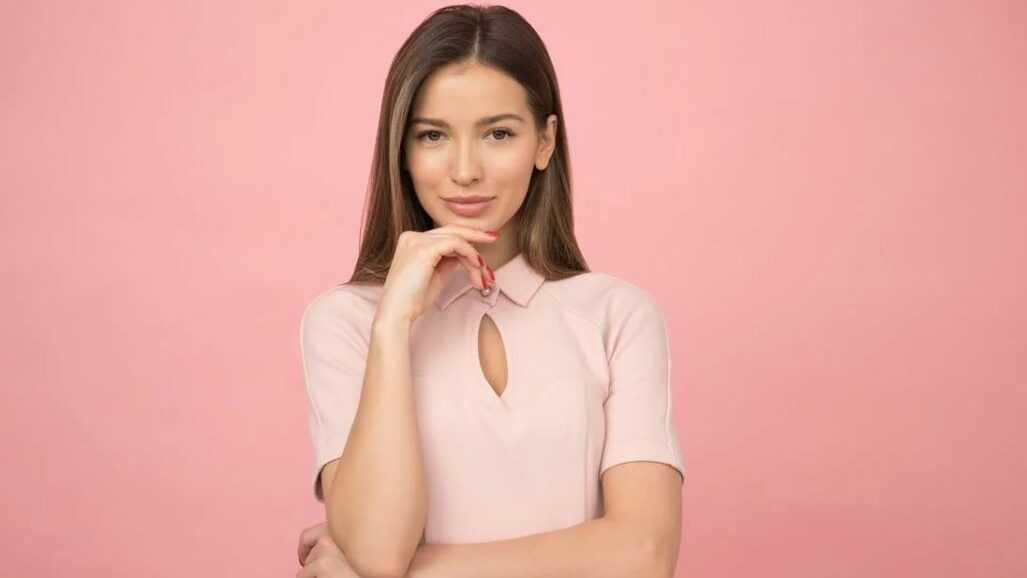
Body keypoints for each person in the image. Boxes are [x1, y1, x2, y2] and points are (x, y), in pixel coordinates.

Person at [295, 4, 685, 577]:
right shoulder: (348, 322)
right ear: (402, 151)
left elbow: (644, 555)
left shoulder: (617, 315)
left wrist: (403, 570)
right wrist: (392, 328)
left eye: (498, 133)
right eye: (432, 136)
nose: (465, 169)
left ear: (545, 142)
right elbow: (378, 550)